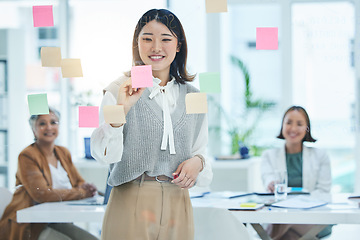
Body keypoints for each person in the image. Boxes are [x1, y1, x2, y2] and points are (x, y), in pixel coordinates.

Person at [90, 8, 212, 240]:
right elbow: (103, 156)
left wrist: (198, 162)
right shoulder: (118, 89)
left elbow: (200, 151)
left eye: (166, 39)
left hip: (179, 202)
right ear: (137, 44)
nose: (156, 47)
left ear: (178, 45)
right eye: (147, 39)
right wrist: (122, 111)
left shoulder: (195, 96)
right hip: (130, 199)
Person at [0, 107, 98, 240]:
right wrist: (81, 193)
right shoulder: (27, 156)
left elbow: (78, 181)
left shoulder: (63, 152)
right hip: (31, 224)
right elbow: (42, 194)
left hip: (57, 219)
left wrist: (86, 188)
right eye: (42, 123)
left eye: (53, 122)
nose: (49, 127)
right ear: (33, 130)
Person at [261, 106, 332, 240]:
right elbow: (268, 178)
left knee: (285, 222)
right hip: (280, 216)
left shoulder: (321, 156)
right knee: (286, 224)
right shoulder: (268, 155)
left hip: (313, 217)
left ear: (307, 128)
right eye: (289, 123)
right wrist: (271, 184)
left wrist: (298, 205)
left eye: (299, 124)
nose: (293, 128)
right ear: (282, 125)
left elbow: (323, 191)